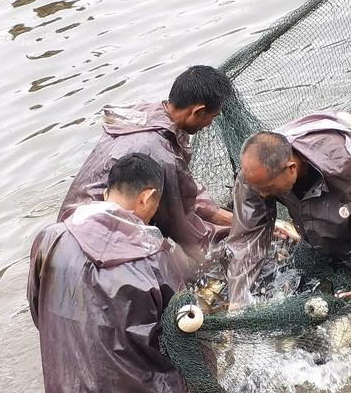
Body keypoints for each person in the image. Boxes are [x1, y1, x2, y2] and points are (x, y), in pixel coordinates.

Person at [28, 153, 192, 393]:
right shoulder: (155, 254)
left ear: (106, 192)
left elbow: (37, 311)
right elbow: (184, 334)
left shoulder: (51, 237)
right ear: (146, 197)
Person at [227, 112, 351, 306]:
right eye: (257, 189)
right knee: (330, 246)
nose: (262, 195)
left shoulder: (341, 163)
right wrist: (238, 301)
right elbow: (246, 239)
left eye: (267, 189)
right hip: (323, 192)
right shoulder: (254, 177)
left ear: (291, 168)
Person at [57, 65, 235, 268]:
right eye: (212, 117)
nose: (210, 123)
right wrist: (229, 248)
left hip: (67, 226)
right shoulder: (159, 152)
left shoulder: (147, 113)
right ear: (198, 111)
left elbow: (184, 190)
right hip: (95, 242)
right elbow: (181, 227)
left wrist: (235, 221)